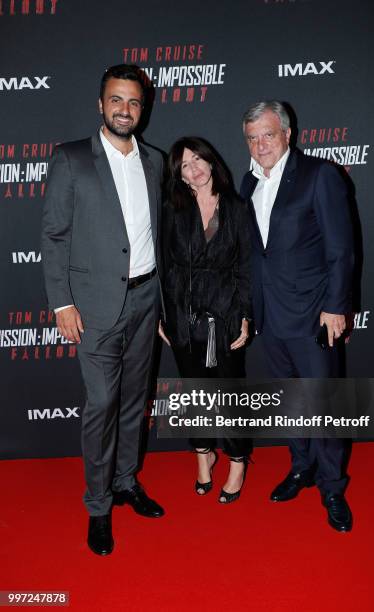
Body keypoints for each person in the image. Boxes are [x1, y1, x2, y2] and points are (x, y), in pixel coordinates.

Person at [42, 64, 165, 556]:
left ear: (143, 108)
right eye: (117, 100)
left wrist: (163, 303)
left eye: (133, 102)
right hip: (92, 307)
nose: (125, 110)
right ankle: (98, 506)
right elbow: (53, 236)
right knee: (101, 407)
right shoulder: (71, 159)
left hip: (146, 299)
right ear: (101, 104)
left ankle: (125, 482)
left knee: (136, 401)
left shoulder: (155, 161)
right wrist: (61, 302)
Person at [240, 101, 354, 531]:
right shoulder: (248, 182)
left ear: (289, 134)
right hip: (270, 315)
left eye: (268, 134)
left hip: (313, 315)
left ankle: (332, 486)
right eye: (252, 138)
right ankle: (301, 467)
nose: (260, 144)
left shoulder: (319, 175)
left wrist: (336, 306)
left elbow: (341, 249)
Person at [159, 137, 252, 503]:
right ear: (179, 175)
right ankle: (203, 456)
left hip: (225, 314)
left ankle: (237, 463)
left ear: (212, 162)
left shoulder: (237, 208)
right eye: (184, 164)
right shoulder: (173, 208)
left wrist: (245, 316)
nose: (194, 167)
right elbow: (165, 266)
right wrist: (162, 315)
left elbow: (246, 267)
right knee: (195, 392)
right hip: (183, 315)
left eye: (198, 158)